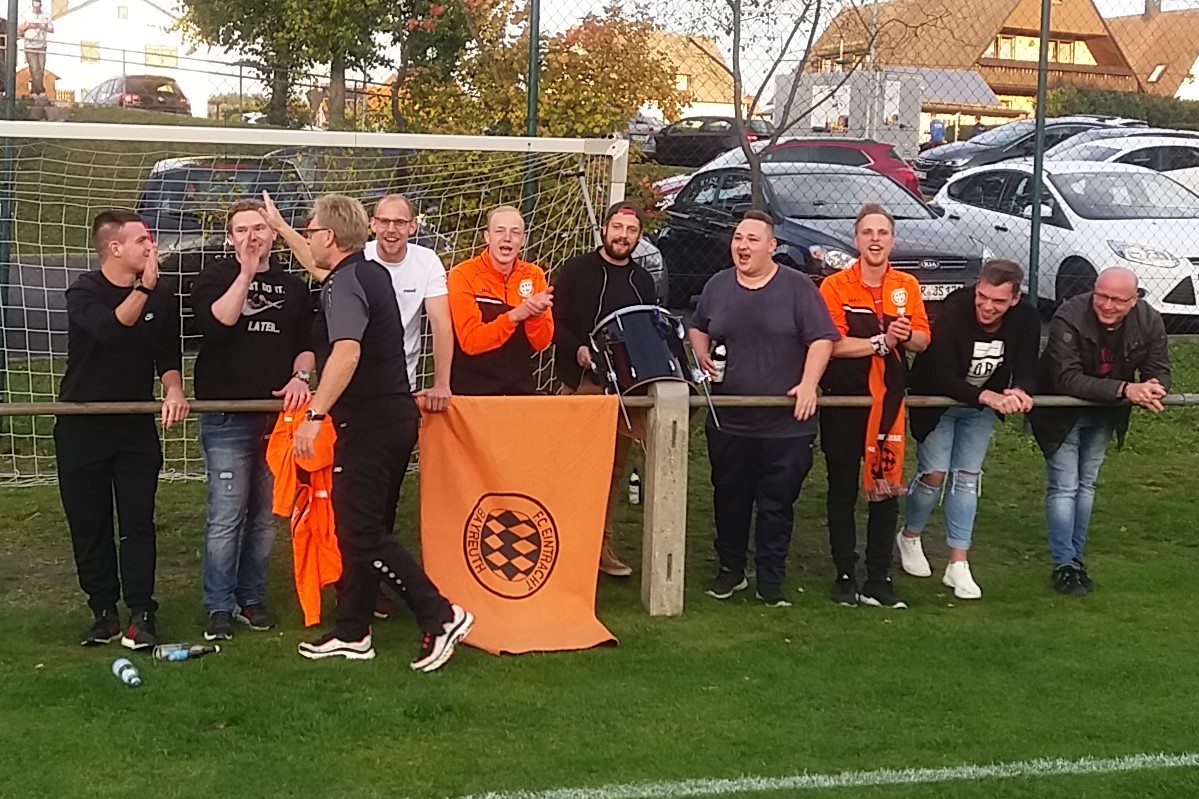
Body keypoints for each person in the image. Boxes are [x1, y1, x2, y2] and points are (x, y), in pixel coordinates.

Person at [286, 194, 472, 668]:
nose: (309, 241)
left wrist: (314, 416)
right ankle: (353, 630)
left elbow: (347, 352)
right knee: (359, 529)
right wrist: (278, 226)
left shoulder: (346, 281)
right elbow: (317, 268)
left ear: (329, 236)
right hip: (391, 418)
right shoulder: (366, 273)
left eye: (310, 233)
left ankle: (441, 615)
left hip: (371, 422)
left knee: (362, 531)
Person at [688, 211, 839, 607]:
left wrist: (808, 384)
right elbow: (698, 326)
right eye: (738, 238)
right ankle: (730, 572)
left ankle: (771, 581)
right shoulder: (718, 285)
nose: (743, 246)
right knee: (729, 499)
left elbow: (823, 339)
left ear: (771, 246)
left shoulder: (797, 287)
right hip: (729, 420)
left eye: (752, 240)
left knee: (776, 505)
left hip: (785, 425)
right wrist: (702, 355)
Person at [58, 210, 188, 650]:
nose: (151, 247)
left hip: (134, 428)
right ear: (114, 248)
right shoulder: (84, 290)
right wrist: (143, 288)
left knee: (137, 521)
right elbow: (111, 329)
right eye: (142, 240)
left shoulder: (161, 293)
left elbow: (167, 353)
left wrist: (174, 388)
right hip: (82, 425)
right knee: (89, 522)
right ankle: (103, 612)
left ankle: (142, 612)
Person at [189, 199, 316, 642]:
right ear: (230, 238)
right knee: (226, 515)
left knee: (265, 516)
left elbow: (307, 344)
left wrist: (301, 377)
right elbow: (218, 324)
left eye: (259, 229)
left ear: (273, 235)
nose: (251, 237)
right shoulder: (213, 277)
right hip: (226, 415)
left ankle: (250, 598)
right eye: (241, 230)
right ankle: (218, 605)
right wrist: (245, 275)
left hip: (277, 419)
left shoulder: (294, 287)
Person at [896, 260, 1040, 599]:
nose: (987, 306)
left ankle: (958, 563)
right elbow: (940, 373)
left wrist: (1021, 390)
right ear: (977, 288)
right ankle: (910, 535)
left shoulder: (1027, 317)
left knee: (967, 476)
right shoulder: (955, 308)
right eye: (982, 297)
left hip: (980, 408)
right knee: (934, 473)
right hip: (937, 400)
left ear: (1014, 299)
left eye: (998, 301)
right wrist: (986, 395)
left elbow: (1027, 365)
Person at [1030, 267, 1170, 596]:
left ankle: (1075, 559)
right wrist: (1126, 389)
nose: (1107, 305)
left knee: (1086, 485)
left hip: (1106, 412)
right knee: (1065, 486)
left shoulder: (1149, 319)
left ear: (1134, 300)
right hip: (1059, 411)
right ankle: (1064, 565)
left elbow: (1159, 369)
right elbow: (1066, 378)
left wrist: (1155, 387)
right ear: (1094, 289)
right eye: (1101, 295)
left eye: (1117, 300)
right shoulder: (1069, 316)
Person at [818, 203, 930, 609]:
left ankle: (879, 579)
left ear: (892, 240)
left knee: (885, 490)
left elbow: (923, 340)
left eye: (882, 232)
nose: (875, 239)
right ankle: (845, 575)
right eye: (867, 232)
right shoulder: (835, 285)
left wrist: (905, 335)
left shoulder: (906, 285)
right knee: (842, 489)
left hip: (889, 404)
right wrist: (881, 342)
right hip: (845, 400)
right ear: (856, 239)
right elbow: (832, 344)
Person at [554, 201, 657, 578]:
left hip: (623, 392)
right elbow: (554, 322)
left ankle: (601, 545)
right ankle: (565, 544)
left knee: (612, 471)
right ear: (604, 229)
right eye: (617, 227)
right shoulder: (576, 270)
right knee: (573, 469)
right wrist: (578, 350)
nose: (622, 236)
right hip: (582, 384)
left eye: (631, 230)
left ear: (639, 236)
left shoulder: (643, 281)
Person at [447, 205, 554, 395]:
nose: (507, 238)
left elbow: (541, 344)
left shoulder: (534, 274)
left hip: (520, 391)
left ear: (523, 240)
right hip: (472, 392)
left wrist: (536, 315)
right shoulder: (462, 274)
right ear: (487, 237)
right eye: (500, 231)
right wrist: (515, 316)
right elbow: (470, 342)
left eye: (515, 232)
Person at [18, 0, 52, 97]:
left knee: (41, 68)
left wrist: (42, 26)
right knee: (34, 68)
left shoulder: (46, 15)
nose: (36, 9)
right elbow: (19, 28)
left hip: (41, 45)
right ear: (32, 6)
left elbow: (51, 28)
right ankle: (39, 91)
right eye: (35, 7)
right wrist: (29, 26)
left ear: (41, 6)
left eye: (38, 7)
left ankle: (36, 90)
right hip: (30, 45)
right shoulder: (26, 15)